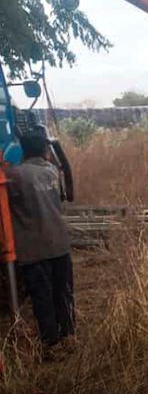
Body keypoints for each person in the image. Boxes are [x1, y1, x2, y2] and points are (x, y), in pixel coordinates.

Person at [7, 133, 74, 347]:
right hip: (60, 244)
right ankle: (69, 334)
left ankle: (50, 342)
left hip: (34, 249)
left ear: (23, 150)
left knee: (42, 297)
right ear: (44, 150)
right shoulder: (52, 171)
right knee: (63, 293)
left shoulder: (15, 175)